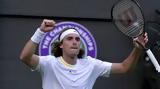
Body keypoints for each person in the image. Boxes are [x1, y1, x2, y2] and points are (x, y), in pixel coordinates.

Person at [20, 19, 148, 89]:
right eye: (69, 39)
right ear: (61, 45)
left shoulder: (91, 64)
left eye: (77, 39)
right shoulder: (49, 63)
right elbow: (25, 57)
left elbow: (124, 68)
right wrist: (40, 32)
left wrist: (137, 48)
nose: (74, 42)